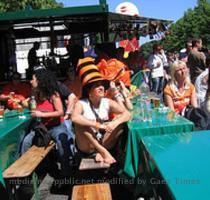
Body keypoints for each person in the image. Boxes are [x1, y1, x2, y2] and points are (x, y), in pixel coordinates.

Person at [71, 57, 131, 164]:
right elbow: (74, 117)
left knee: (120, 120)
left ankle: (100, 151)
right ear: (89, 92)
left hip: (104, 140)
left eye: (102, 85)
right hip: (87, 146)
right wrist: (97, 125)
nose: (101, 88)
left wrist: (114, 123)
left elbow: (127, 113)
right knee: (80, 124)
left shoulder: (106, 101)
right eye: (96, 86)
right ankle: (102, 151)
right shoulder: (81, 104)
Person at [21, 69, 73, 177]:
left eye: (33, 79)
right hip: (41, 128)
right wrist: (24, 103)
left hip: (56, 126)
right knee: (26, 142)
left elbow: (60, 112)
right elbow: (28, 104)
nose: (30, 81)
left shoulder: (53, 94)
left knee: (62, 142)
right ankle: (27, 175)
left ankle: (66, 175)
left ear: (40, 81)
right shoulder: (35, 93)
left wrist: (42, 114)